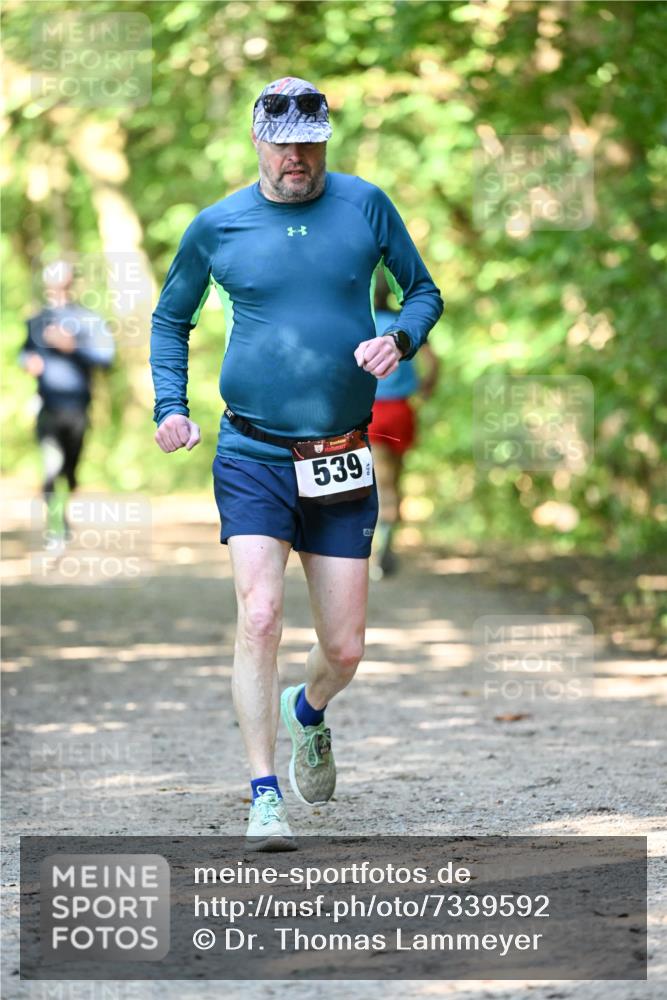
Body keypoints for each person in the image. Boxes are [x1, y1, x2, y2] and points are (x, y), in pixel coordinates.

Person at [150, 76, 443, 851]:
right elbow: (170, 318)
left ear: (325, 141)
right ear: (257, 141)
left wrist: (401, 338)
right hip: (250, 449)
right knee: (259, 614)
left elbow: (422, 291)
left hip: (342, 454)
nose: (297, 159)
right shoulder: (217, 226)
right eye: (283, 144)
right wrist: (170, 406)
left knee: (344, 648)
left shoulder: (364, 204)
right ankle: (262, 792)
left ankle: (306, 711)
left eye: (310, 143)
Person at [19, 260, 115, 540]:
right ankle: (57, 525)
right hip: (46, 405)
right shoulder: (37, 319)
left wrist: (73, 348)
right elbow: (23, 352)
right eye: (53, 285)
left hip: (78, 407)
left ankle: (66, 503)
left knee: (70, 470)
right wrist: (28, 361)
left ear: (72, 284)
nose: (57, 290)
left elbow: (106, 358)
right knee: (51, 466)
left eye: (63, 285)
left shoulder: (89, 319)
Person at [368, 271, 439, 579]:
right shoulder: (406, 327)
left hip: (372, 411)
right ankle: (389, 543)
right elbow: (434, 362)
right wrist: (425, 389)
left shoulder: (362, 323)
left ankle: (379, 547)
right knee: (395, 479)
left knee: (379, 483)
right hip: (402, 410)